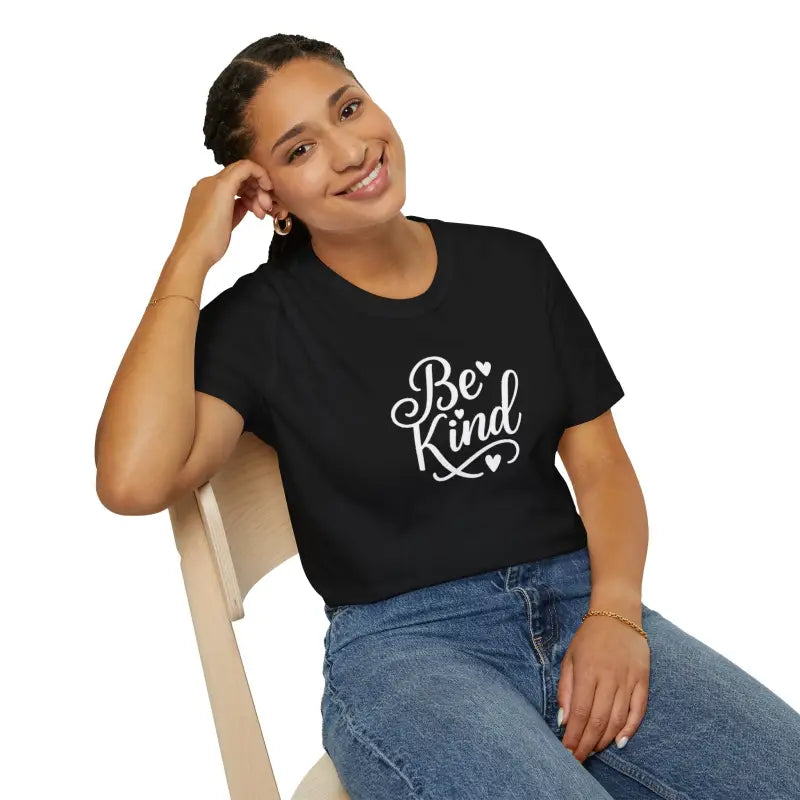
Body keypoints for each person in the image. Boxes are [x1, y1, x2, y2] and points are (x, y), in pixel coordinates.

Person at [94, 33, 800, 799]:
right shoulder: (260, 323)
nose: (350, 151)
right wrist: (190, 256)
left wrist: (617, 614)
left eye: (349, 109)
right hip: (406, 651)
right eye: (300, 150)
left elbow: (602, 469)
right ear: (269, 199)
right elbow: (133, 480)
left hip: (581, 601)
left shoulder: (515, 267)